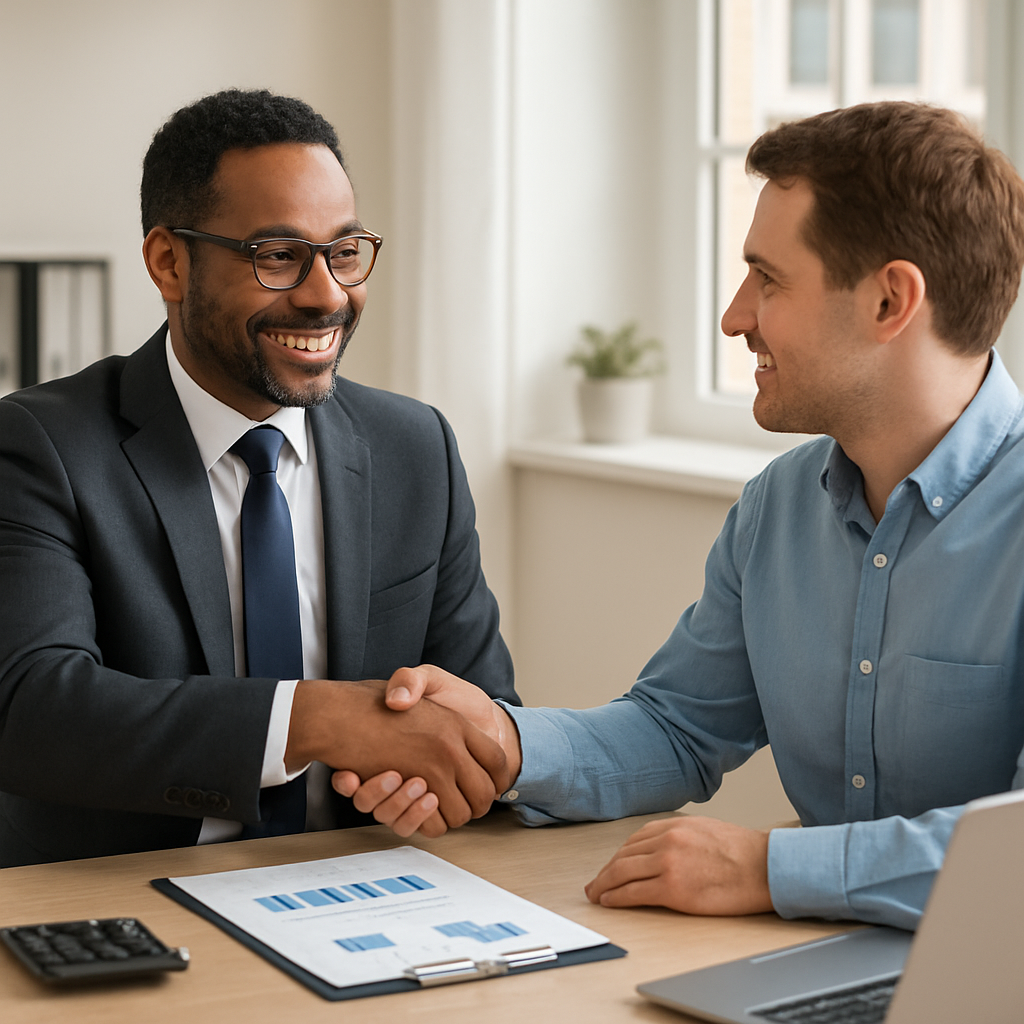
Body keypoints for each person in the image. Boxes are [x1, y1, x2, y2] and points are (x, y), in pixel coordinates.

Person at [336, 101, 1024, 931]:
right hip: (816, 965)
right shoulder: (778, 508)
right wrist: (502, 742)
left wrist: (770, 868)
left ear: (889, 302)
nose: (735, 316)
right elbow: (676, 729)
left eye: (768, 279)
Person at [0, 89, 517, 867]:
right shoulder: (43, 447)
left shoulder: (416, 448)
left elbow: (483, 710)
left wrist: (454, 765)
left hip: (373, 882)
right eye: (277, 256)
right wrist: (314, 718)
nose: (326, 296)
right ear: (169, 262)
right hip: (130, 901)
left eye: (344, 252)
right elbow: (32, 712)